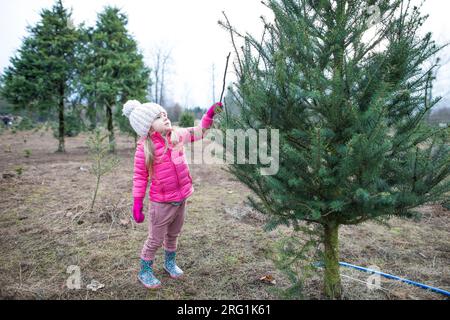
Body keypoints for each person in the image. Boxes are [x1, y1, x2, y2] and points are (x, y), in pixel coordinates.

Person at [122, 100, 223, 289]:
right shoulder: (145, 148)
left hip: (181, 197)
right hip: (161, 203)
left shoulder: (177, 135)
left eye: (164, 114)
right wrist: (137, 203)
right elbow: (139, 177)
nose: (165, 117)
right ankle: (145, 271)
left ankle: (169, 263)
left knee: (174, 234)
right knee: (155, 239)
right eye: (158, 117)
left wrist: (210, 114)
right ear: (148, 126)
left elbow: (200, 131)